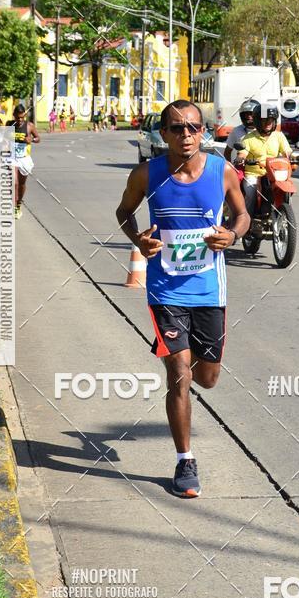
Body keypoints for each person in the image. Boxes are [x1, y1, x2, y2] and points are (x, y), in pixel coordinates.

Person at [116, 99, 249, 498]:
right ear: (163, 133)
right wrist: (137, 239)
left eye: (193, 127)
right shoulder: (147, 174)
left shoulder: (221, 171)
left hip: (210, 290)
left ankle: (199, 386)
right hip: (164, 291)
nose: (186, 134)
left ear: (203, 131)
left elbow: (241, 214)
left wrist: (233, 234)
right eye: (176, 128)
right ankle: (184, 461)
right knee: (180, 374)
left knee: (207, 378)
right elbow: (124, 212)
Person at [237, 103, 299, 220]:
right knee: (251, 193)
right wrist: (241, 158)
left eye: (271, 120)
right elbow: (242, 153)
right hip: (254, 174)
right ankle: (246, 223)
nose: (268, 123)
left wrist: (297, 158)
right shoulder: (247, 138)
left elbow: (287, 153)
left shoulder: (279, 136)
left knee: (286, 190)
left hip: (273, 174)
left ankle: (283, 214)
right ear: (258, 121)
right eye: (264, 120)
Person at [6, 104, 40, 219]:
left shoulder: (29, 126)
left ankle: (18, 204)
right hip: (12, 158)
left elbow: (38, 138)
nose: (20, 120)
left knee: (21, 184)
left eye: (22, 117)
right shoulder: (9, 124)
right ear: (14, 115)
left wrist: (31, 139)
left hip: (24, 159)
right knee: (14, 183)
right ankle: (14, 204)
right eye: (17, 117)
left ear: (24, 116)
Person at [224, 99, 258, 164]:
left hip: (262, 166)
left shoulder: (264, 131)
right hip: (243, 166)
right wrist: (230, 167)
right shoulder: (236, 131)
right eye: (246, 114)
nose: (249, 117)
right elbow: (227, 152)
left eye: (251, 114)